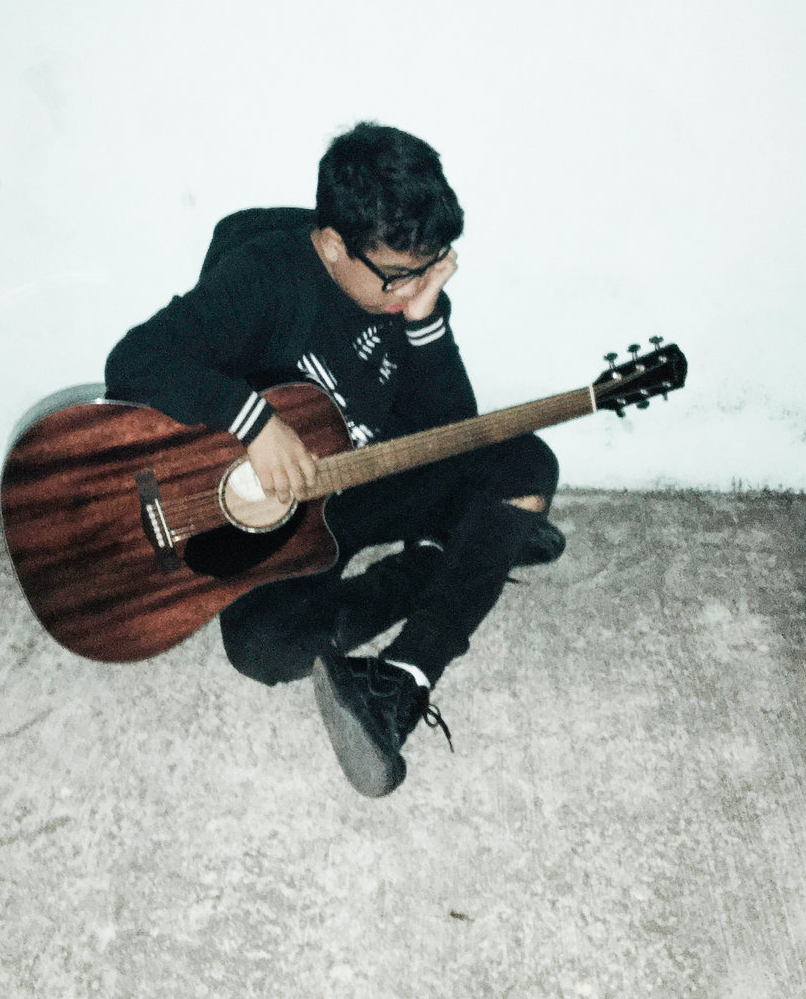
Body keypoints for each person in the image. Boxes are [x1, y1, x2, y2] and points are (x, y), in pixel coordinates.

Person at [104, 122, 564, 797]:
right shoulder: (266, 276)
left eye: (431, 267)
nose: (412, 287)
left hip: (363, 483)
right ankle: (450, 558)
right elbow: (136, 359)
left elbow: (450, 435)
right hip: (275, 512)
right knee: (265, 647)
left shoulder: (410, 289)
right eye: (398, 276)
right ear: (331, 246)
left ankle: (402, 679)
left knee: (526, 464)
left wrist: (425, 320)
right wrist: (254, 422)